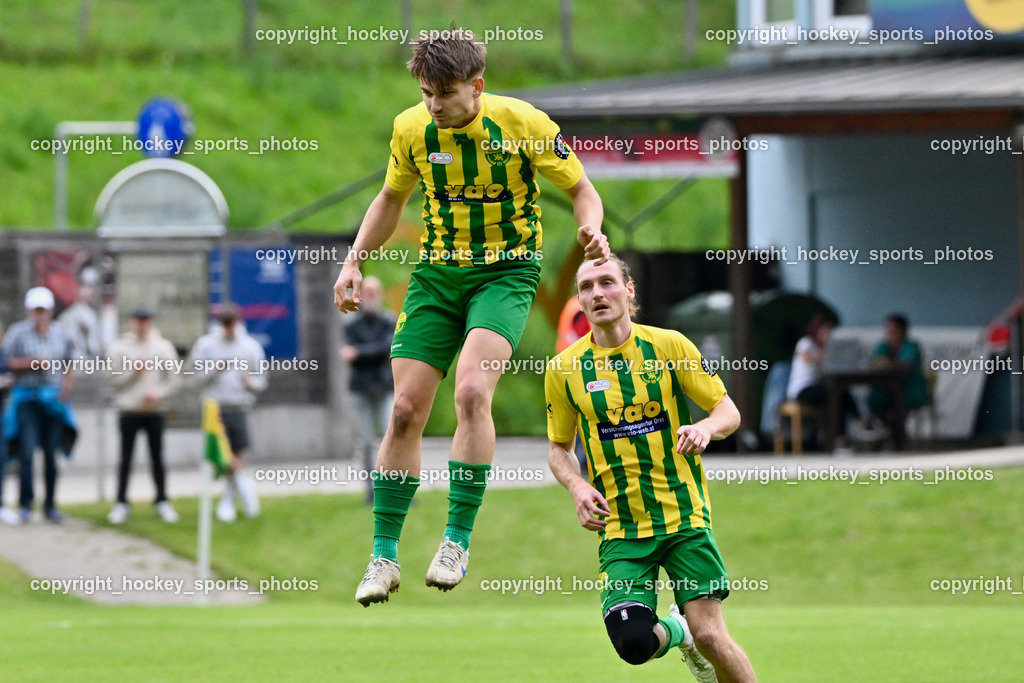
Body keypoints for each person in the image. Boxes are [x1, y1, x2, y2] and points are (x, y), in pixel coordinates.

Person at [334, 27, 609, 606]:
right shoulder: (412, 130)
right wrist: (355, 261)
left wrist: (592, 228)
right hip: (437, 276)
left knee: (471, 396)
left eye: (446, 93)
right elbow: (390, 200)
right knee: (405, 409)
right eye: (427, 93)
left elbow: (582, 188)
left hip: (504, 276)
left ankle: (456, 540)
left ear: (476, 87)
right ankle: (383, 555)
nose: (435, 104)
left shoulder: (523, 125)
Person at [546, 256, 756, 682]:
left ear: (629, 290)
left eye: (607, 282)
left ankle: (693, 632)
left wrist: (705, 428)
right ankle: (679, 630)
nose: (597, 293)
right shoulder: (564, 369)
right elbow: (558, 448)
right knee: (635, 645)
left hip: (684, 518)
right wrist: (575, 486)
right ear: (580, 301)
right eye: (587, 287)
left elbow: (727, 410)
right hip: (621, 529)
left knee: (713, 636)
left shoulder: (669, 346)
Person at [0, 287, 77, 523]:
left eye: (43, 310)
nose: (40, 314)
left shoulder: (61, 334)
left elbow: (69, 362)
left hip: (52, 401)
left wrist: (65, 388)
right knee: (26, 452)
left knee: (51, 455)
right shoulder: (18, 333)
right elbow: (6, 363)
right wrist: (32, 364)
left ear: (50, 310)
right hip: (27, 400)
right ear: (29, 310)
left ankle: (50, 505)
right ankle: (25, 504)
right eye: (36, 310)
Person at [188, 303, 267, 522]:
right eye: (224, 325)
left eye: (230, 325)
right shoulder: (206, 345)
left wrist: (249, 381)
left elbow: (261, 381)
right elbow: (195, 377)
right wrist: (214, 371)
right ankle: (243, 487)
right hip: (215, 408)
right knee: (223, 455)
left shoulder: (250, 346)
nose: (228, 329)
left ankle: (229, 499)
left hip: (239, 406)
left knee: (237, 453)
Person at [105, 307, 182, 524]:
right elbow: (111, 379)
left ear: (150, 322)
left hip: (154, 411)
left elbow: (174, 379)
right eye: (137, 320)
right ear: (132, 322)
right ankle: (121, 503)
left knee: (157, 457)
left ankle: (162, 501)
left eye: (145, 320)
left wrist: (158, 394)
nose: (141, 325)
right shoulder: (120, 347)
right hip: (129, 410)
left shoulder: (162, 347)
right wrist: (133, 373)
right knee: (125, 458)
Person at [341, 276, 397, 505]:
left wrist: (360, 353)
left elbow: (388, 347)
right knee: (365, 441)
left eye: (375, 292)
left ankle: (395, 487)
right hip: (361, 389)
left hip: (384, 388)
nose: (371, 297)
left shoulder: (389, 320)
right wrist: (368, 354)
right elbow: (350, 355)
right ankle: (370, 489)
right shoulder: (350, 324)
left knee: (390, 437)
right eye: (368, 292)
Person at [786, 313, 857, 450]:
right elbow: (807, 357)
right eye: (824, 330)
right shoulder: (806, 343)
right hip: (803, 390)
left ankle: (840, 436)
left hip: (820, 389)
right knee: (836, 394)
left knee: (840, 394)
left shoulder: (826, 348)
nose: (827, 334)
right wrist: (826, 355)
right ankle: (853, 424)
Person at [867, 313, 928, 425]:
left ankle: (897, 435)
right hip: (886, 387)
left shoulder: (911, 346)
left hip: (909, 388)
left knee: (899, 401)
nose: (889, 332)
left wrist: (888, 363)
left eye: (892, 328)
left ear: (902, 330)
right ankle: (889, 432)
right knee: (875, 398)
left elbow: (906, 365)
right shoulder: (883, 346)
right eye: (887, 328)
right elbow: (874, 362)